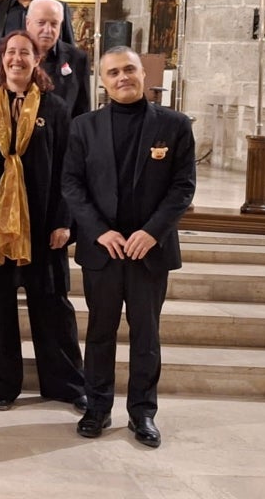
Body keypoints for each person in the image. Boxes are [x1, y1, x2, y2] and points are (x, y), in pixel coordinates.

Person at [62, 47, 196, 447]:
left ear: (143, 73)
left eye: (129, 70)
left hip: (148, 252)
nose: (123, 77)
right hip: (103, 251)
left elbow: (182, 186)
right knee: (100, 333)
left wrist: (152, 232)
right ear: (102, 81)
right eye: (113, 72)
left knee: (146, 335)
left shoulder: (174, 125)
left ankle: (143, 413)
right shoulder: (84, 127)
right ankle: (98, 408)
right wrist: (100, 231)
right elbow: (71, 184)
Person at [0, 30, 85, 412]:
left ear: (38, 61)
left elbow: (71, 170)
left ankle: (66, 383)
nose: (17, 59)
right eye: (10, 53)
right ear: (1, 60)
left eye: (25, 53)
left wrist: (64, 221)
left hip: (43, 223)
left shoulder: (55, 109)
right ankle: (1, 383)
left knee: (52, 305)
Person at [27, 0, 89, 120]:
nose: (48, 30)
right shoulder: (11, 54)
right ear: (28, 23)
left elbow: (82, 111)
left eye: (54, 24)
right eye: (41, 23)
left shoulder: (78, 58)